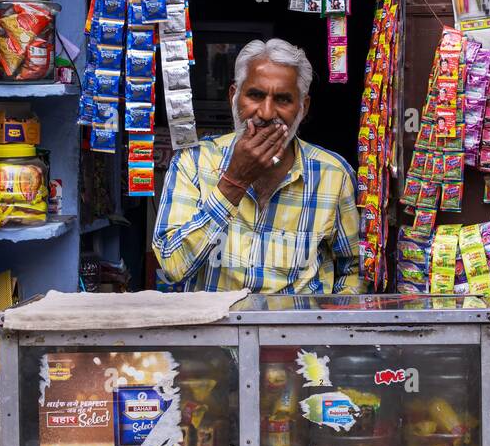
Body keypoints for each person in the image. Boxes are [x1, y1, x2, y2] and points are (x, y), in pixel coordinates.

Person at [153, 38, 364, 294]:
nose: (265, 113)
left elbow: (353, 270)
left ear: (302, 107)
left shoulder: (333, 175)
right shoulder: (194, 163)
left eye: (283, 100)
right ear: (234, 97)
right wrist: (234, 181)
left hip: (298, 330)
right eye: (255, 95)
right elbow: (171, 265)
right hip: (217, 331)